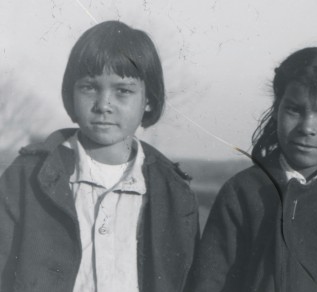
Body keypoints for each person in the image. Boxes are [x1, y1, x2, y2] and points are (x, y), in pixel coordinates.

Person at [0, 21, 198, 292]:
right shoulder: (26, 176)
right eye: (89, 87)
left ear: (149, 99)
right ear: (71, 93)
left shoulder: (174, 191)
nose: (104, 105)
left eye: (123, 91)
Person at [187, 46, 317, 292]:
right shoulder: (242, 191)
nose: (307, 127)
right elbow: (208, 282)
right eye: (294, 110)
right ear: (276, 111)